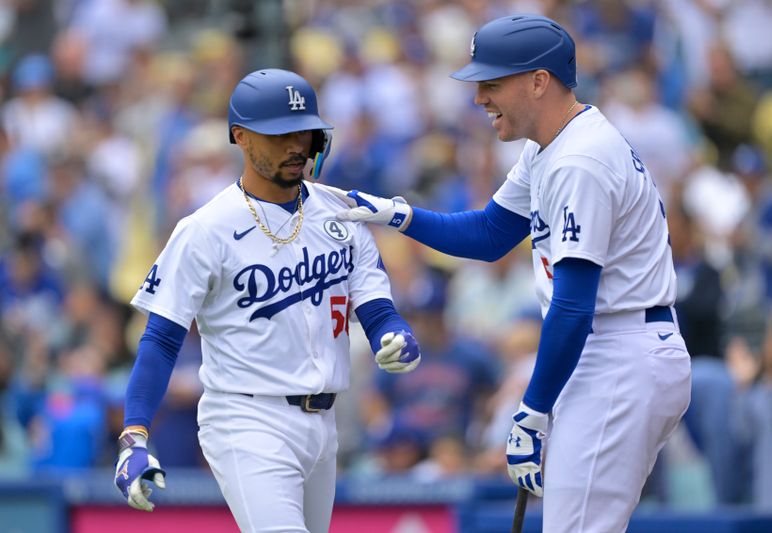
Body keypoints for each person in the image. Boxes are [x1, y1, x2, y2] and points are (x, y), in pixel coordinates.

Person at [330, 14, 691, 533]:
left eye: (493, 84)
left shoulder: (580, 160)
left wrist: (533, 409)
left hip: (619, 351)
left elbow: (573, 304)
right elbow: (490, 234)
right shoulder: (552, 145)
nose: (479, 98)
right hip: (610, 350)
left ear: (539, 82)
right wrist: (399, 215)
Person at [113, 68, 422, 533]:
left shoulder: (342, 211)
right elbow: (160, 339)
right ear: (240, 136)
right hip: (247, 416)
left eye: (304, 131)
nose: (296, 145)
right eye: (279, 134)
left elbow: (375, 305)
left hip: (325, 421)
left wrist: (393, 333)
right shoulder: (205, 229)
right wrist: (134, 433)